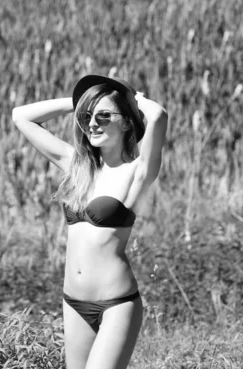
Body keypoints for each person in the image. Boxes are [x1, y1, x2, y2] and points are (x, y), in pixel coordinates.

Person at [11, 74, 168, 369]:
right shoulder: (77, 165)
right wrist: (79, 104)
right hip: (73, 303)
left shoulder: (137, 172)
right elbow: (21, 116)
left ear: (125, 122)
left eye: (104, 115)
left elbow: (158, 116)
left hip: (117, 305)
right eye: (88, 116)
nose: (93, 123)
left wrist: (136, 101)